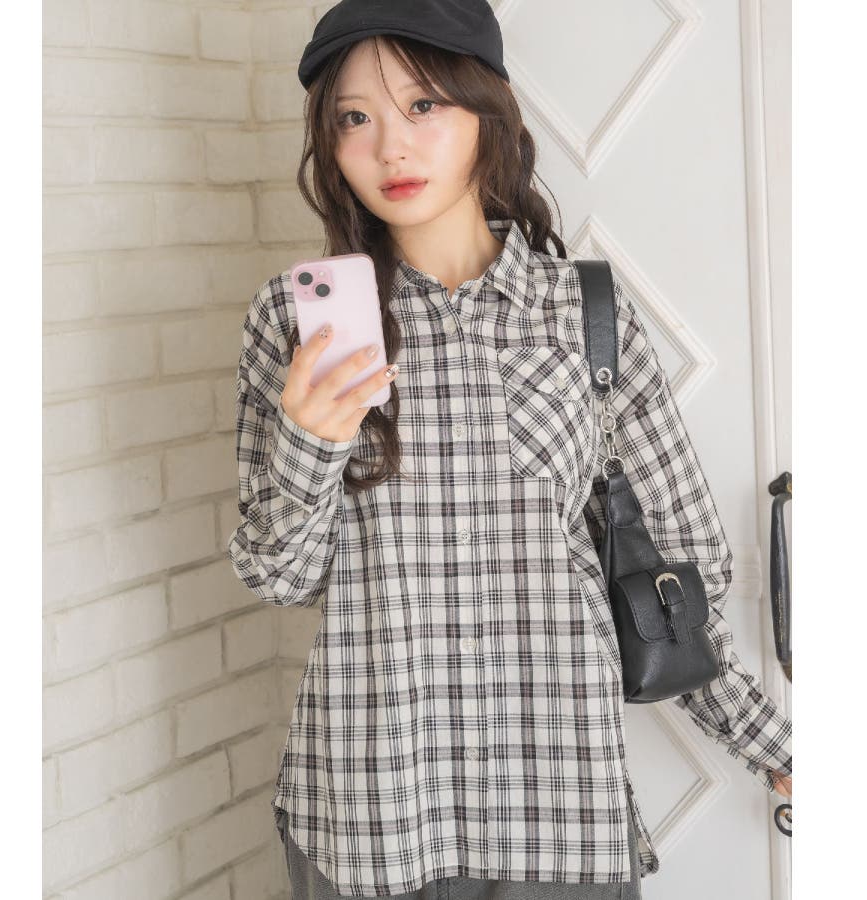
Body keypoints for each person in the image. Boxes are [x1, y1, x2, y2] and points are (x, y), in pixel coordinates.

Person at [227, 2, 792, 897]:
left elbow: (675, 580)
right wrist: (312, 440)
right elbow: (281, 575)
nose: (391, 148)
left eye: (422, 105)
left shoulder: (585, 315)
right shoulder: (299, 325)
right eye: (354, 118)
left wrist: (777, 748)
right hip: (372, 818)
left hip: (558, 818)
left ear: (486, 111)